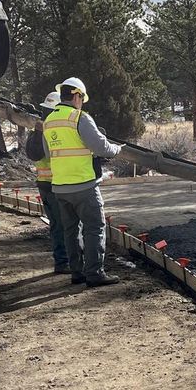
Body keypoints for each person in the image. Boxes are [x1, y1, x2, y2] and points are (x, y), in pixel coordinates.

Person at [42, 77, 122, 287]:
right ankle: (94, 274)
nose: (81, 103)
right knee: (94, 228)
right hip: (84, 185)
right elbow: (101, 147)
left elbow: (48, 153)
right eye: (82, 98)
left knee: (70, 231)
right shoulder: (79, 118)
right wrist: (117, 149)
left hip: (60, 187)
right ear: (76, 95)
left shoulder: (49, 121)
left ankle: (77, 272)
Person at [25, 91, 69, 274]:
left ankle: (65, 260)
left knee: (58, 225)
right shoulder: (48, 131)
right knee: (62, 225)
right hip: (55, 184)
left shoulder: (39, 130)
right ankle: (63, 262)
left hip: (46, 184)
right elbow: (36, 153)